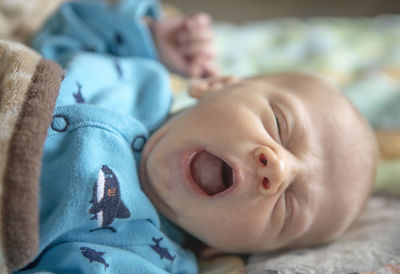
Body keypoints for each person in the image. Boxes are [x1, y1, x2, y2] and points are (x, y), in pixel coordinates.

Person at [15, 0, 378, 273]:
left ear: (221, 251)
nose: (278, 171)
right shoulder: (140, 75)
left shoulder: (146, 258)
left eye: (289, 208)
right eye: (280, 125)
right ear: (217, 85)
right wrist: (148, 36)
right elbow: (57, 33)